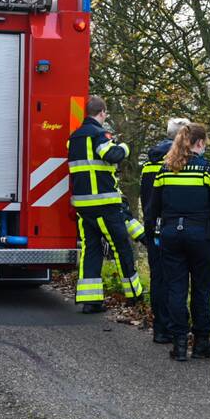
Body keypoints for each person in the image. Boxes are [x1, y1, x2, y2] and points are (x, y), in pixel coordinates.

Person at [144, 123, 210, 361]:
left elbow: (152, 208)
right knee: (201, 290)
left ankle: (180, 344)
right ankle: (202, 342)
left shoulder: (165, 171)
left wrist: (152, 234)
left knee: (176, 289)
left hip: (171, 236)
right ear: (200, 143)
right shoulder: (207, 170)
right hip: (201, 237)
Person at [67, 96, 143, 313]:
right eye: (106, 114)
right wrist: (125, 148)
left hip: (83, 206)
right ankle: (134, 294)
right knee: (121, 248)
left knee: (91, 250)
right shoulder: (99, 134)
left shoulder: (73, 138)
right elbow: (111, 154)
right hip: (105, 204)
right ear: (102, 113)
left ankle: (90, 301)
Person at [141, 117, 190, 344]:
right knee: (176, 281)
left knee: (158, 279)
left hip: (154, 229)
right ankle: (174, 327)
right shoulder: (181, 163)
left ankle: (160, 329)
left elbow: (147, 199)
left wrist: (151, 230)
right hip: (175, 229)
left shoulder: (149, 162)